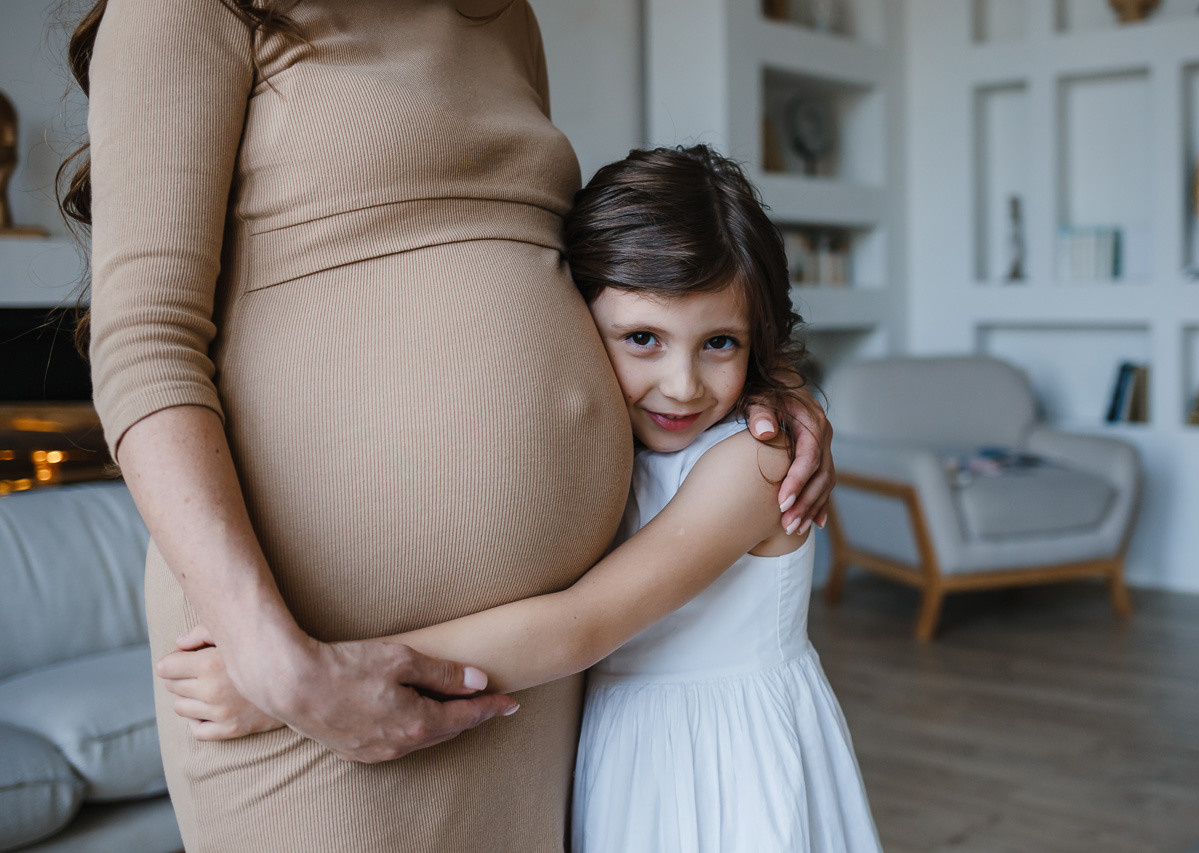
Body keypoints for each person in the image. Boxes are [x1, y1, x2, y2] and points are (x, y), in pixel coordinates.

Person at [64, 0, 835, 849]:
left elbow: (578, 267)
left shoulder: (500, 14)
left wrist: (771, 377)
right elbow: (144, 340)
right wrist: (280, 668)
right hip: (312, 655)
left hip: (534, 677)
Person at [158, 145, 881, 851]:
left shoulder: (753, 463)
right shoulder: (618, 443)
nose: (684, 383)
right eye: (642, 337)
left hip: (723, 767)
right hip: (625, 758)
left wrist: (292, 681)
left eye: (719, 342)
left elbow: (582, 625)